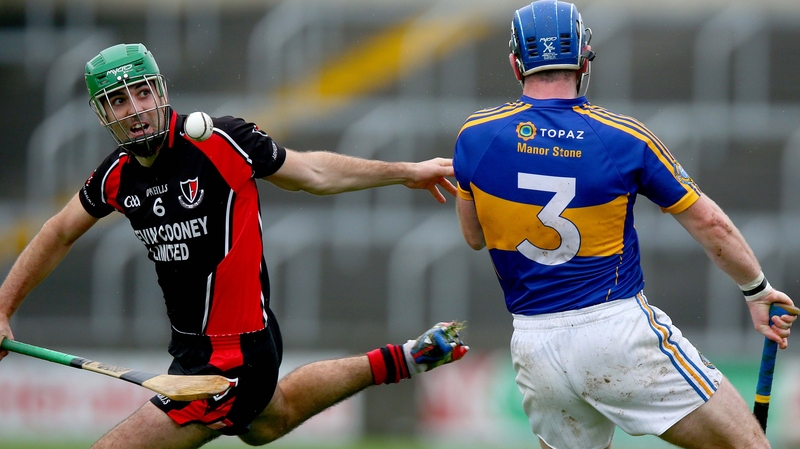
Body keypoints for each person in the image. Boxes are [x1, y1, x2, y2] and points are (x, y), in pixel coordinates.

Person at [0, 42, 468, 449]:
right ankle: (408, 357)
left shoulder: (221, 140)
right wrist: (3, 308)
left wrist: (407, 170)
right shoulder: (116, 173)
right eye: (118, 100)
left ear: (161, 91)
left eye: (142, 92)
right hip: (193, 352)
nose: (135, 108)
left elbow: (316, 173)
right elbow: (58, 231)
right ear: (103, 114)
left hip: (234, 357)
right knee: (268, 421)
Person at [453, 2, 795, 449]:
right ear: (584, 56)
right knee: (748, 445)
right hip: (615, 331)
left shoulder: (474, 135)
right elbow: (710, 222)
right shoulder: (624, 137)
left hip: (534, 345)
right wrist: (756, 289)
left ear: (516, 62)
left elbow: (474, 237)